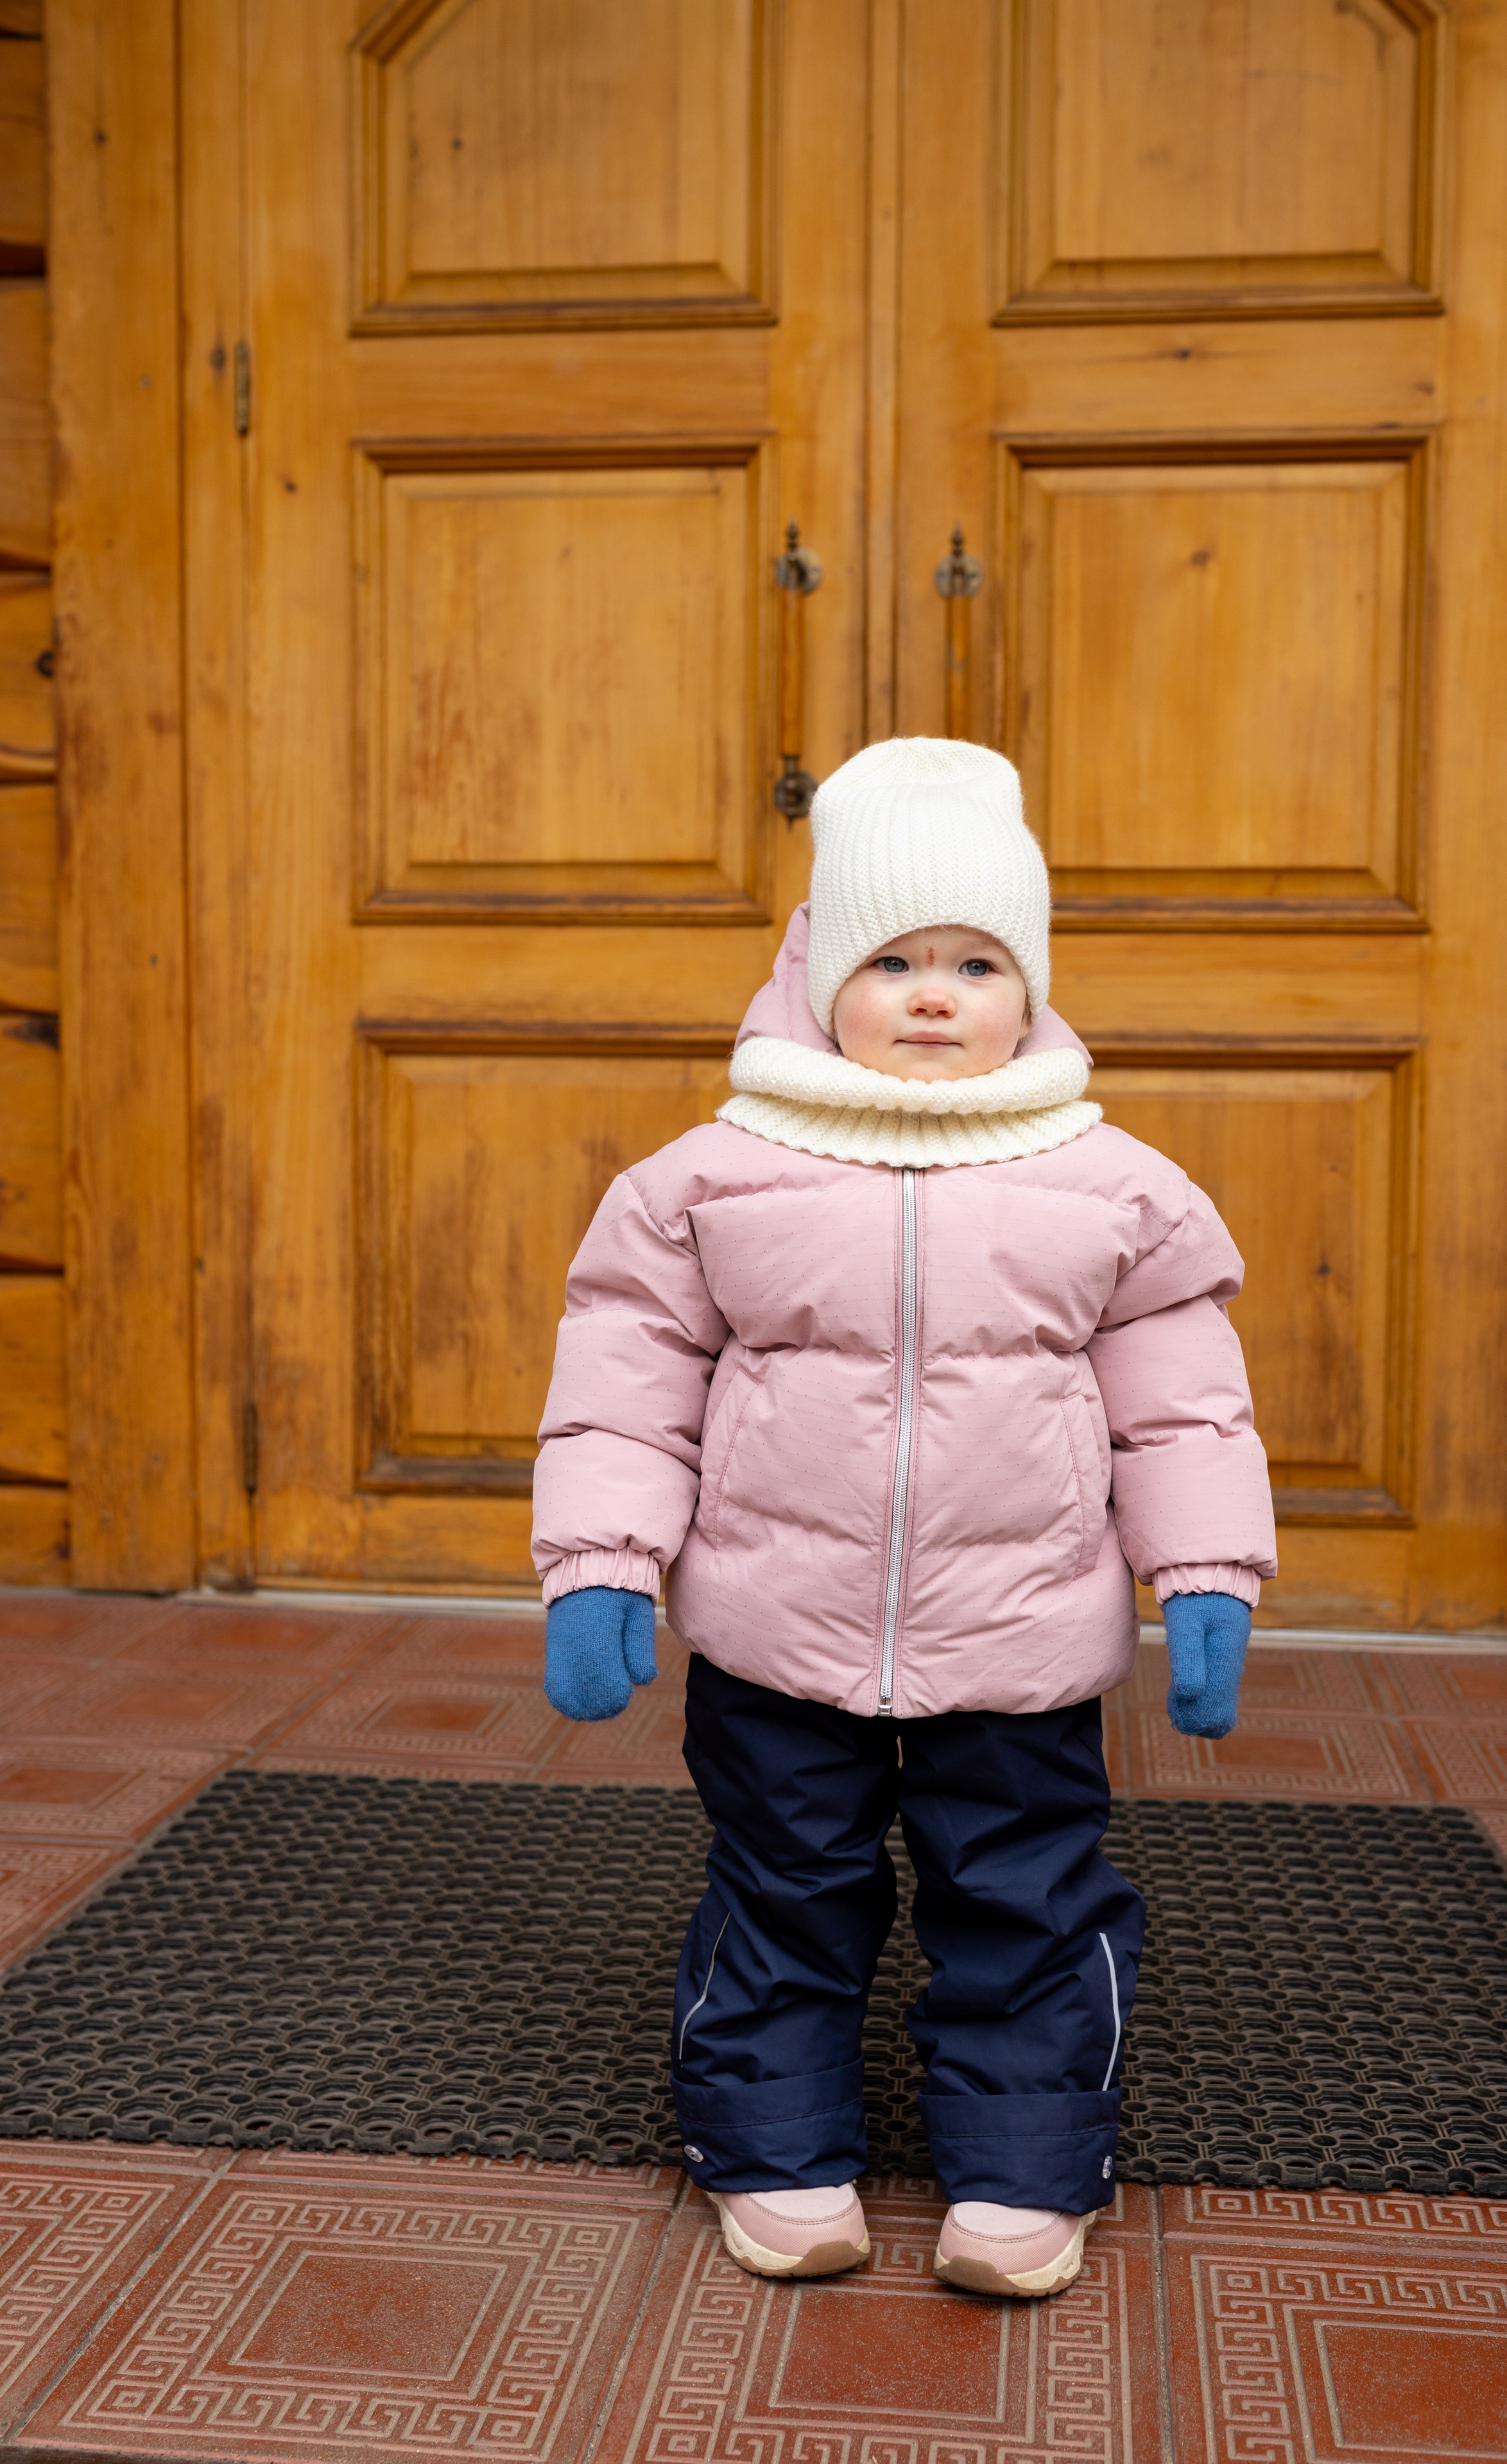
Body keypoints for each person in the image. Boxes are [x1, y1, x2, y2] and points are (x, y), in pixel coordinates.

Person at [533, 738, 1276, 2298]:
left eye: (976, 962)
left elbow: (1182, 1399)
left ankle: (1021, 2164)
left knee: (1022, 1893)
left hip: (1016, 1641)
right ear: (814, 974)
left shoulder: (1113, 1186)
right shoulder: (708, 1179)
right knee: (784, 1885)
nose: (933, 994)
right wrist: (601, 1560)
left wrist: (1201, 1572)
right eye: (891, 960)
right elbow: (625, 1373)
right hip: (772, 1630)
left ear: (1032, 986)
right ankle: (772, 2144)